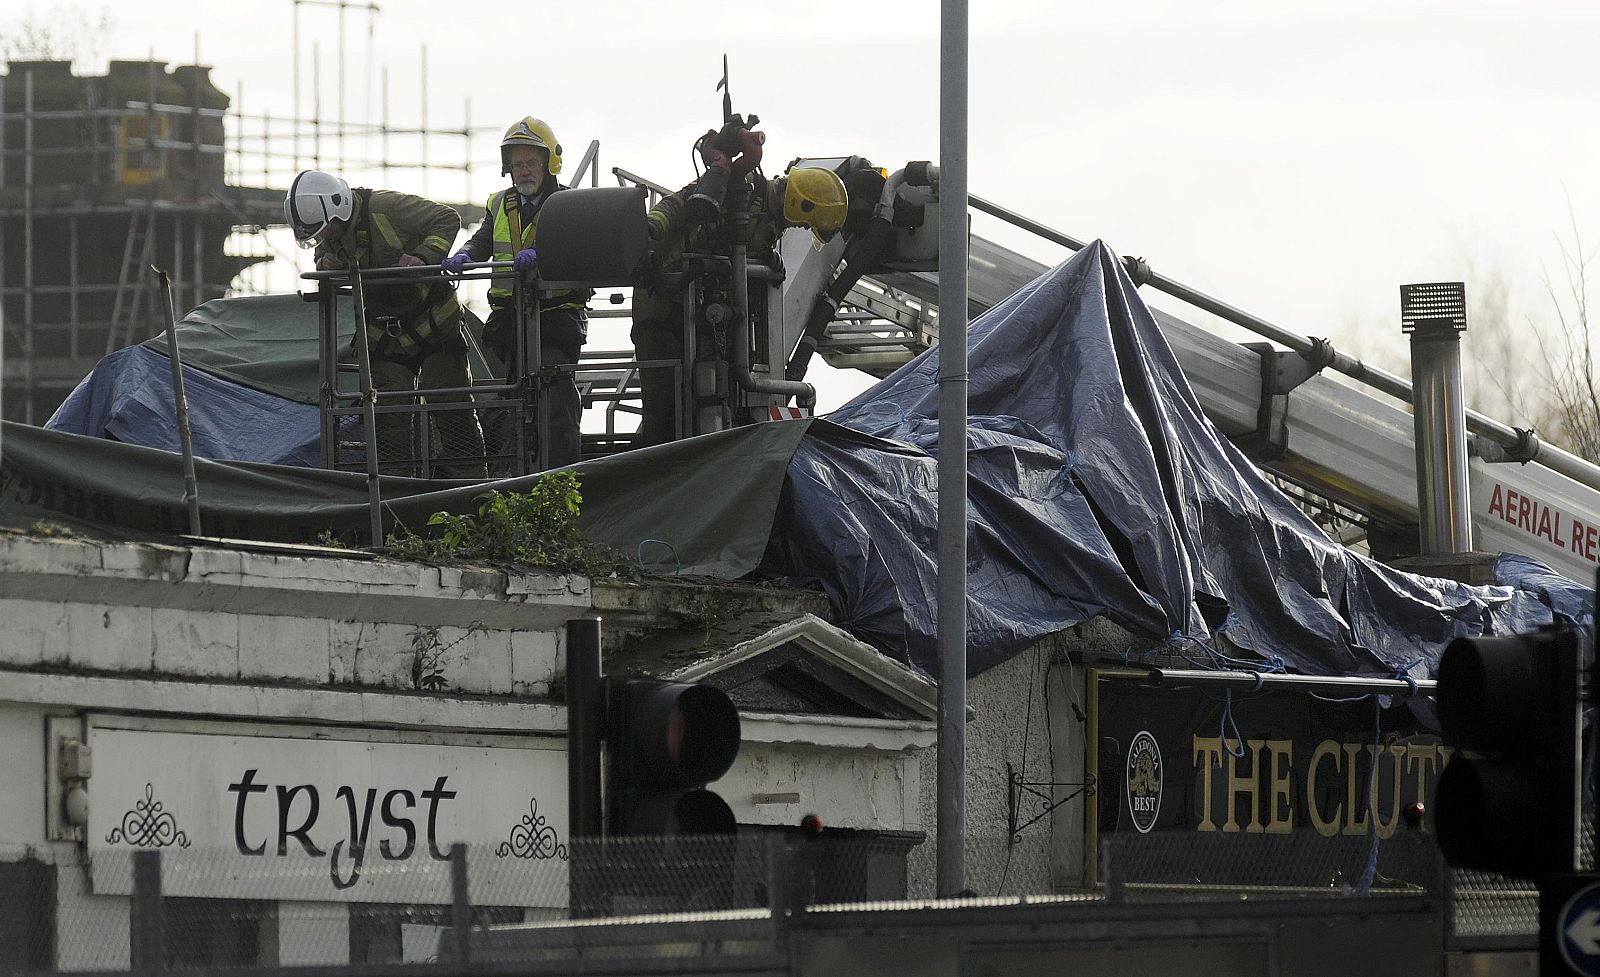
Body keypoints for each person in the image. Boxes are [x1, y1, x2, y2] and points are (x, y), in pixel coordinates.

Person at [630, 128, 848, 447]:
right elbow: (676, 205)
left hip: (702, 319)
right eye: (806, 221)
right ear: (802, 203)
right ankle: (645, 475)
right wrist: (651, 231)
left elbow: (739, 248)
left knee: (709, 401)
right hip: (662, 307)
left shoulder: (767, 220)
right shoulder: (734, 188)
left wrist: (765, 260)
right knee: (664, 410)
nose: (801, 227)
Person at [285, 169, 486, 479]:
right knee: (388, 424)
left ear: (338, 208)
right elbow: (321, 261)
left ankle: (473, 491)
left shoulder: (387, 207)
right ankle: (398, 496)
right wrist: (326, 265)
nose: (324, 238)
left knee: (451, 410)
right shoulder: (331, 232)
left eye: (325, 231)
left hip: (435, 330)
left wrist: (423, 256)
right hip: (386, 338)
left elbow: (446, 218)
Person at [441, 117, 592, 470]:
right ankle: (520, 475)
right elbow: (482, 241)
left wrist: (544, 254)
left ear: (548, 164)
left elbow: (576, 248)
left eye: (531, 164)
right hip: (511, 323)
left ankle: (564, 478)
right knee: (516, 402)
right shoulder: (498, 204)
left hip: (556, 319)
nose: (523, 172)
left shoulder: (568, 202)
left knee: (556, 400)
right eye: (517, 165)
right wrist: (465, 255)